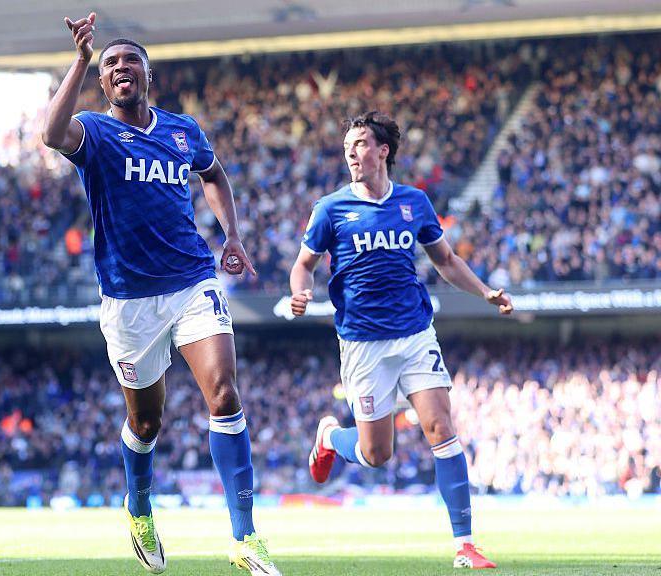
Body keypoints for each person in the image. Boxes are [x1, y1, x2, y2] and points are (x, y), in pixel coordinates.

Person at [42, 13, 279, 576]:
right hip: (127, 299)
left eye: (129, 61)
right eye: (110, 65)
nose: (120, 68)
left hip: (193, 281)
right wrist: (79, 58)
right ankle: (140, 506)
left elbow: (215, 175)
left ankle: (244, 538)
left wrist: (233, 236)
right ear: (102, 83)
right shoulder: (94, 131)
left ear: (148, 74)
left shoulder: (182, 130)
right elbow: (51, 136)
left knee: (223, 394)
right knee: (146, 423)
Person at [289, 111, 513, 569]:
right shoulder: (330, 209)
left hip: (414, 333)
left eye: (360, 144)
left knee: (441, 429)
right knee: (376, 453)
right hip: (363, 344)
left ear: (382, 151)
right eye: (348, 146)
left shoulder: (414, 202)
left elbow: (446, 261)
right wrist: (300, 291)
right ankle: (331, 437)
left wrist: (486, 291)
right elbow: (303, 264)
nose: (351, 153)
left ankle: (464, 545)